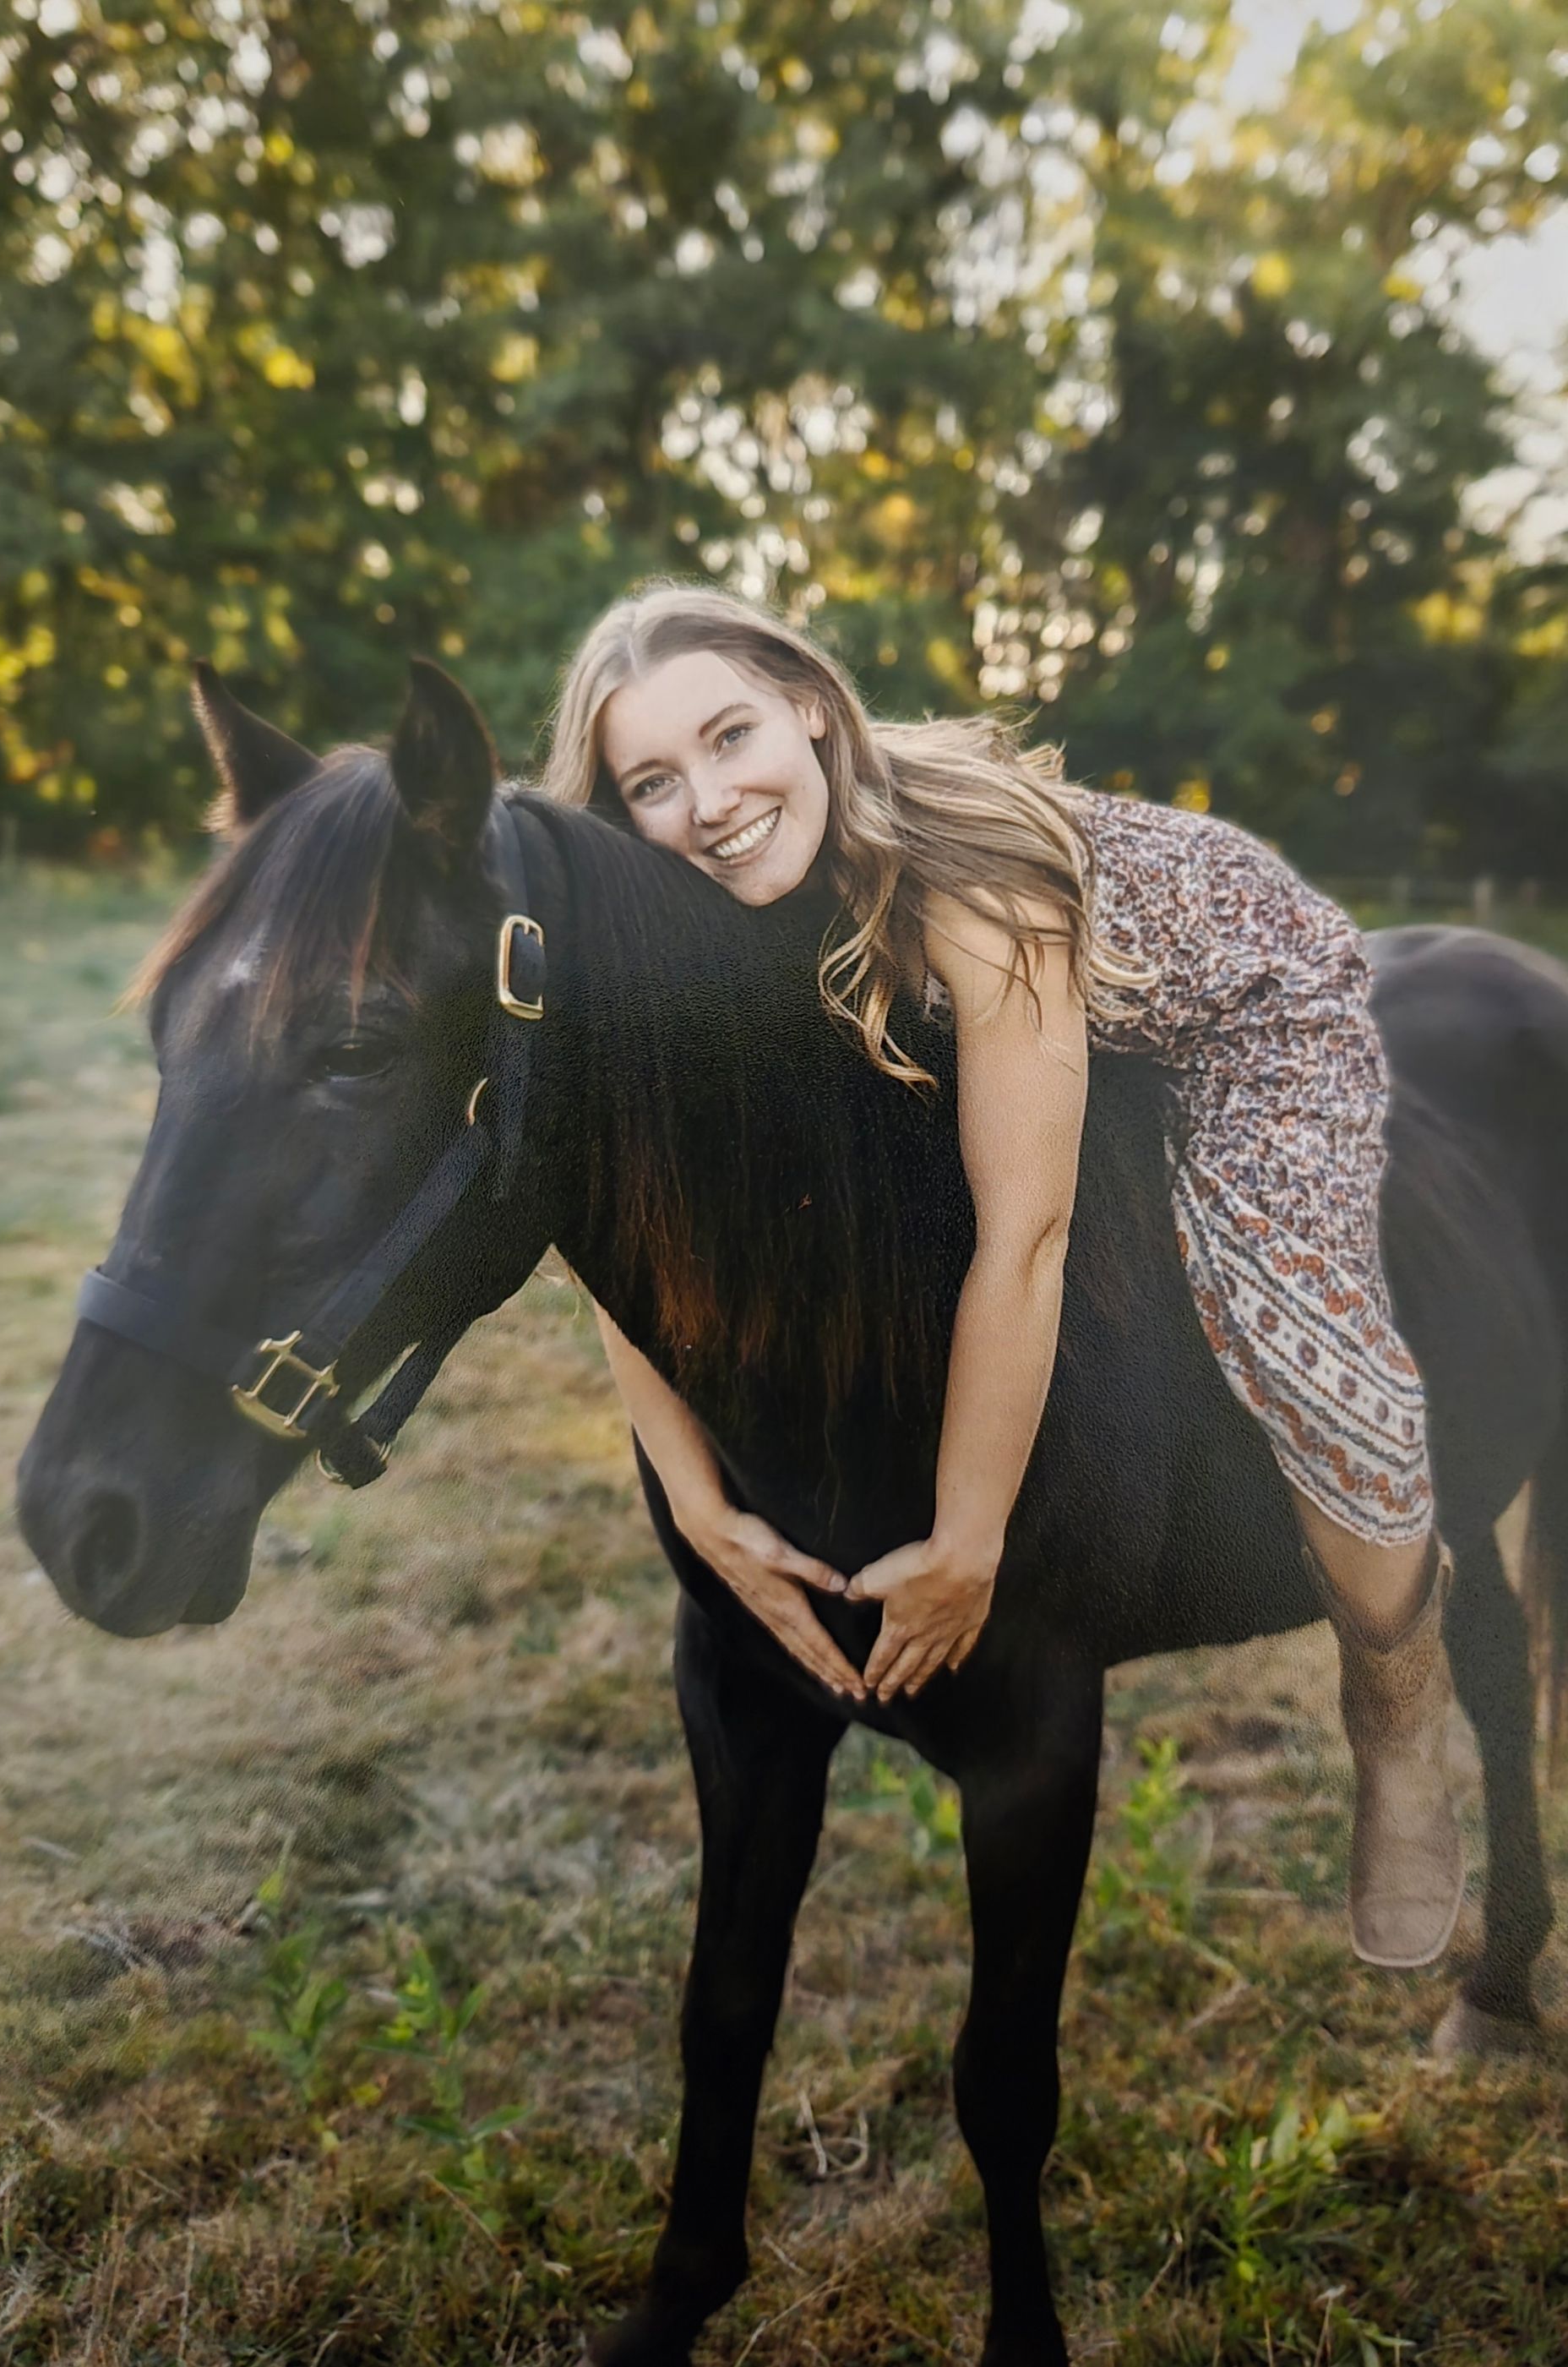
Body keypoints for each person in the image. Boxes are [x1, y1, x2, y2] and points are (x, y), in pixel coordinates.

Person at [538, 581, 1462, 1972]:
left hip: (1231, 998)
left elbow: (1023, 1239)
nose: (710, 800)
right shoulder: (676, 914)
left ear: (806, 704)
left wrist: (967, 1542)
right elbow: (626, 1215)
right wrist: (693, 1495)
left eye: (732, 736)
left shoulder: (975, 890)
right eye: (654, 780)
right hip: (978, 996)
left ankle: (1397, 1708)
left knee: (1307, 1348)